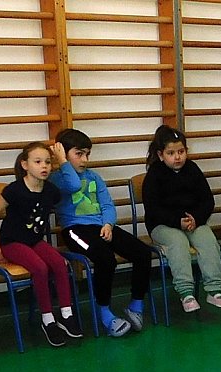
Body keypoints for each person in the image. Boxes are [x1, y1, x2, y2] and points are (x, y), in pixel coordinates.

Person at [50, 128, 149, 336]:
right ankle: (104, 311)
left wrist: (108, 224)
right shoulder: (57, 179)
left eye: (87, 154)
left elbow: (107, 205)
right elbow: (73, 185)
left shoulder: (94, 177)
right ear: (63, 154)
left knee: (142, 252)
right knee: (106, 259)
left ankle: (136, 304)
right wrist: (62, 161)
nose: (85, 160)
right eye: (79, 154)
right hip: (75, 230)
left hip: (102, 227)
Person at [0, 142, 83, 348]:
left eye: (47, 162)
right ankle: (47, 319)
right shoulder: (14, 190)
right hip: (12, 242)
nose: (44, 166)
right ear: (25, 165)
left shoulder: (51, 190)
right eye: (37, 162)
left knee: (60, 264)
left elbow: (73, 186)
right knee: (40, 268)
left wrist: (63, 161)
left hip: (34, 241)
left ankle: (66, 314)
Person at [143, 125, 221, 315]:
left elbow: (207, 200)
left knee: (207, 239)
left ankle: (214, 289)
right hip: (163, 225)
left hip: (192, 222)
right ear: (161, 154)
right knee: (178, 241)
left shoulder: (192, 169)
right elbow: (153, 208)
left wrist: (196, 218)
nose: (177, 157)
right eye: (171, 153)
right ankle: (186, 293)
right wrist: (177, 221)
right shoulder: (154, 174)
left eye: (181, 152)